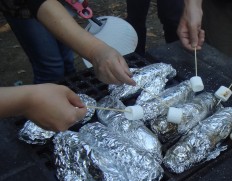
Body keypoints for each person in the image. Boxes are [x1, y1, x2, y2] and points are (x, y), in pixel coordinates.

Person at [0, 0, 136, 132]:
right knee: (51, 66)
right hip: (19, 10)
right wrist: (25, 101)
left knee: (66, 59)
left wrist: (96, 51)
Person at [2, 0, 75, 84]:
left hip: (57, 3)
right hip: (23, 9)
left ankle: (72, 92)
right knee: (51, 70)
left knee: (68, 62)